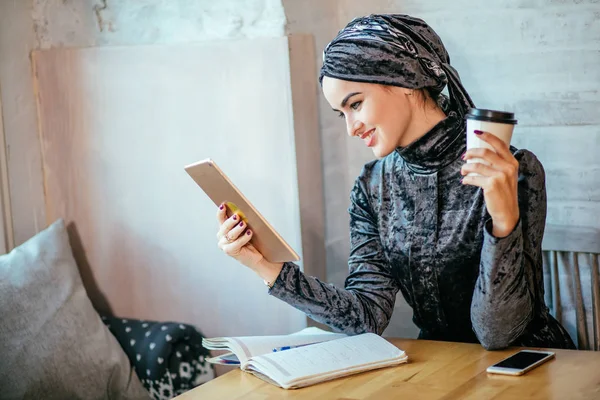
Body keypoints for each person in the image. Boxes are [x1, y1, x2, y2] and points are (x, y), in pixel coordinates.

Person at [214, 14, 575, 350]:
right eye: (341, 113)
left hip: (534, 366)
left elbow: (497, 333)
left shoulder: (512, 169)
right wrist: (263, 264)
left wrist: (503, 222)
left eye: (355, 104)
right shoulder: (372, 186)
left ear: (404, 79)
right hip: (442, 370)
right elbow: (364, 316)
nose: (351, 128)